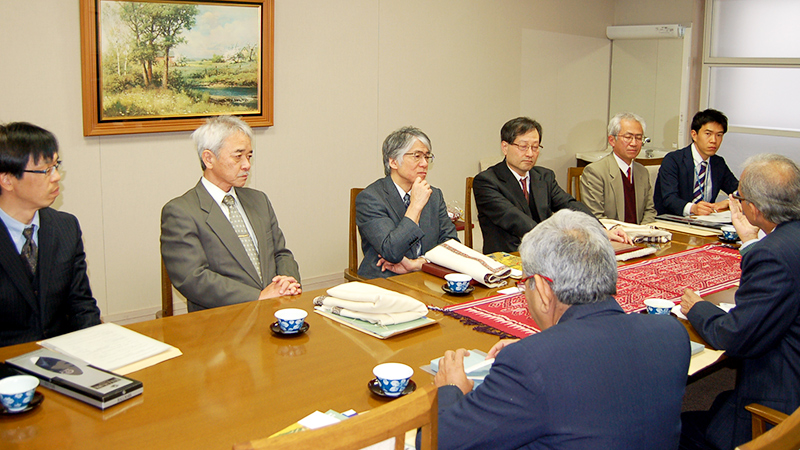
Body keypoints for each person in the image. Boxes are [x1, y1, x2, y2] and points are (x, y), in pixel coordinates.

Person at [433, 209, 690, 449]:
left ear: (543, 289)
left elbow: (438, 441)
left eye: (525, 286)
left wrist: (450, 390)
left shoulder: (532, 364)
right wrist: (541, 349)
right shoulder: (670, 333)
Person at [679, 154, 800, 450]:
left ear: (754, 209)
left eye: (739, 197)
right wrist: (750, 242)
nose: (737, 201)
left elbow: (733, 337)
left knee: (674, 430)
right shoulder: (781, 242)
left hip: (782, 402)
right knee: (716, 403)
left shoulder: (771, 254)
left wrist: (696, 307)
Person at [160, 116, 300, 312]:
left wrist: (287, 281)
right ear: (209, 158)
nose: (247, 165)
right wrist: (257, 297)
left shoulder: (259, 201)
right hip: (221, 322)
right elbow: (193, 278)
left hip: (274, 311)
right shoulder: (181, 212)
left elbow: (281, 253)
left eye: (249, 156)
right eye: (238, 156)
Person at [0, 122, 101, 347]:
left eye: (56, 166)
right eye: (46, 170)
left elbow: (81, 306)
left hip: (63, 360)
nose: (56, 177)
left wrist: (99, 353)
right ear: (7, 179)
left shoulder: (65, 227)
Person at [473, 117, 630, 254]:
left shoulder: (544, 176)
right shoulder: (486, 181)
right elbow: (514, 219)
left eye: (535, 147)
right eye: (523, 146)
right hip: (509, 257)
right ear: (505, 147)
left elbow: (569, 204)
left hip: (547, 254)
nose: (529, 153)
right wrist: (565, 237)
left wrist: (599, 229)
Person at [356, 126, 457, 279]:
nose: (424, 163)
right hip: (384, 280)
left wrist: (421, 263)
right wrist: (415, 205)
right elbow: (391, 252)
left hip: (426, 276)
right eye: (417, 156)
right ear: (394, 162)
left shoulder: (434, 195)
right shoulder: (370, 198)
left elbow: (452, 245)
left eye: (427, 157)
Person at [654, 109, 738, 216]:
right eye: (708, 133)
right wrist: (693, 208)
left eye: (719, 135)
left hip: (705, 222)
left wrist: (730, 201)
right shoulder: (673, 160)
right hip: (674, 221)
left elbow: (738, 190)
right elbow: (669, 199)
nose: (713, 140)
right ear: (694, 135)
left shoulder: (718, 163)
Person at [581, 112, 657, 224]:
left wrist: (643, 231)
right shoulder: (595, 172)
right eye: (628, 137)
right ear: (612, 140)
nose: (634, 143)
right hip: (612, 237)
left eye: (639, 138)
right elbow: (596, 217)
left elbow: (649, 211)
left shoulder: (642, 172)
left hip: (640, 236)